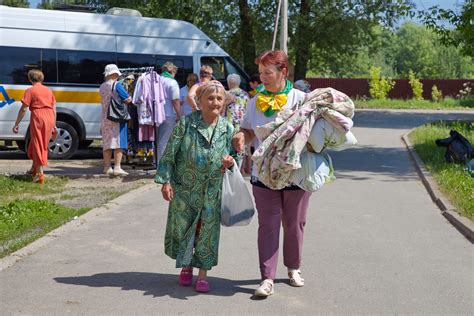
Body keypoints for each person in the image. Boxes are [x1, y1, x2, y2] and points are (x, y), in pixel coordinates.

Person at [232, 50, 310, 297]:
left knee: (294, 223)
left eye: (269, 72)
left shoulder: (301, 98)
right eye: (261, 73)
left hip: (295, 173)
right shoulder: (255, 101)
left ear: (283, 72)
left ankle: (293, 268)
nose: (263, 77)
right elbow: (248, 129)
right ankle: (267, 278)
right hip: (262, 174)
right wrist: (240, 137)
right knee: (268, 225)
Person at [155, 80, 235, 293]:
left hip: (212, 190)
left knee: (207, 231)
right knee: (185, 228)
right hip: (185, 189)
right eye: (210, 98)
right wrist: (165, 181)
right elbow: (170, 152)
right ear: (199, 101)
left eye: (219, 98)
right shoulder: (186, 123)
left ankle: (203, 274)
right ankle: (186, 266)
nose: (215, 102)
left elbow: (233, 155)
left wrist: (231, 160)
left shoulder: (227, 126)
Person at [12, 69, 57, 184]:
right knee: (39, 142)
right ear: (41, 78)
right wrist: (54, 124)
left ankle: (40, 174)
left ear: (30, 79)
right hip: (50, 116)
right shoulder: (48, 91)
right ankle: (33, 169)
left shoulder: (30, 91)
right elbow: (54, 108)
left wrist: (17, 123)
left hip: (38, 116)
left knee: (38, 143)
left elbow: (23, 108)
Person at [99, 64, 132, 176]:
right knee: (119, 142)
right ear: (114, 74)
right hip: (117, 118)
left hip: (105, 118)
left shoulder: (102, 86)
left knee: (107, 143)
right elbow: (128, 99)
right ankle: (117, 167)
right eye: (117, 74)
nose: (118, 76)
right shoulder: (117, 85)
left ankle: (107, 167)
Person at [157, 62, 181, 162]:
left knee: (158, 141)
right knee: (165, 141)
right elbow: (175, 100)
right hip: (168, 114)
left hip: (155, 115)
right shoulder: (172, 82)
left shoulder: (156, 80)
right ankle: (162, 167)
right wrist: (179, 115)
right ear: (172, 72)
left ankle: (159, 164)